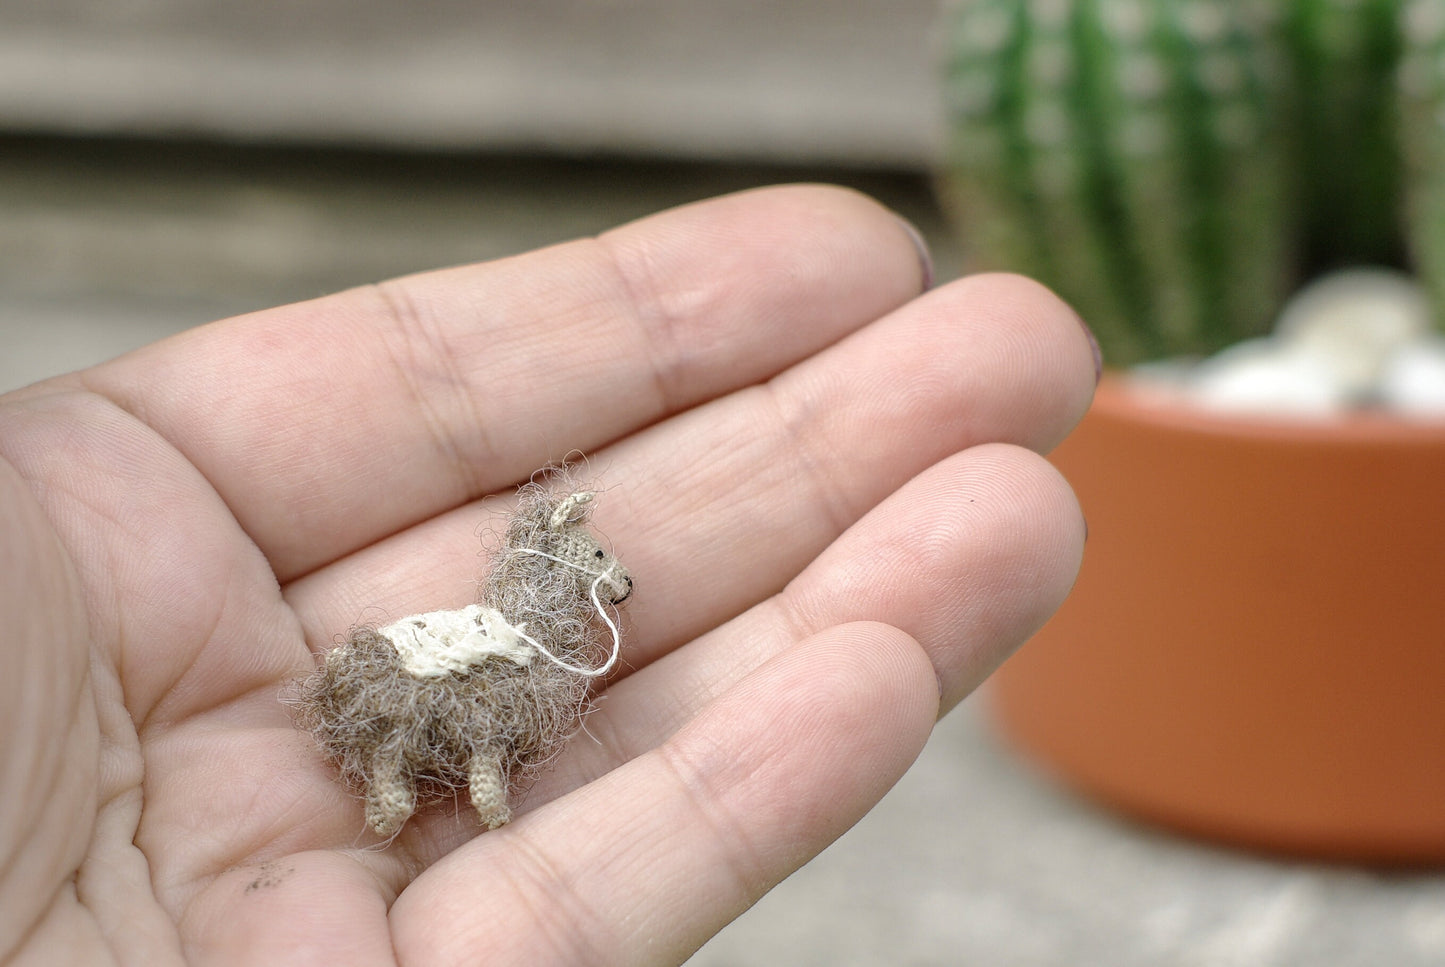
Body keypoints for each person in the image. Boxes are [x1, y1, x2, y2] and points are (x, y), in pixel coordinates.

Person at [0, 184, 1098, 965]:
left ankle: (448, 772)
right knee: (454, 690)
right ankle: (416, 771)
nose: (604, 577)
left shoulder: (549, 615)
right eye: (586, 562)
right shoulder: (521, 595)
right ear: (555, 553)